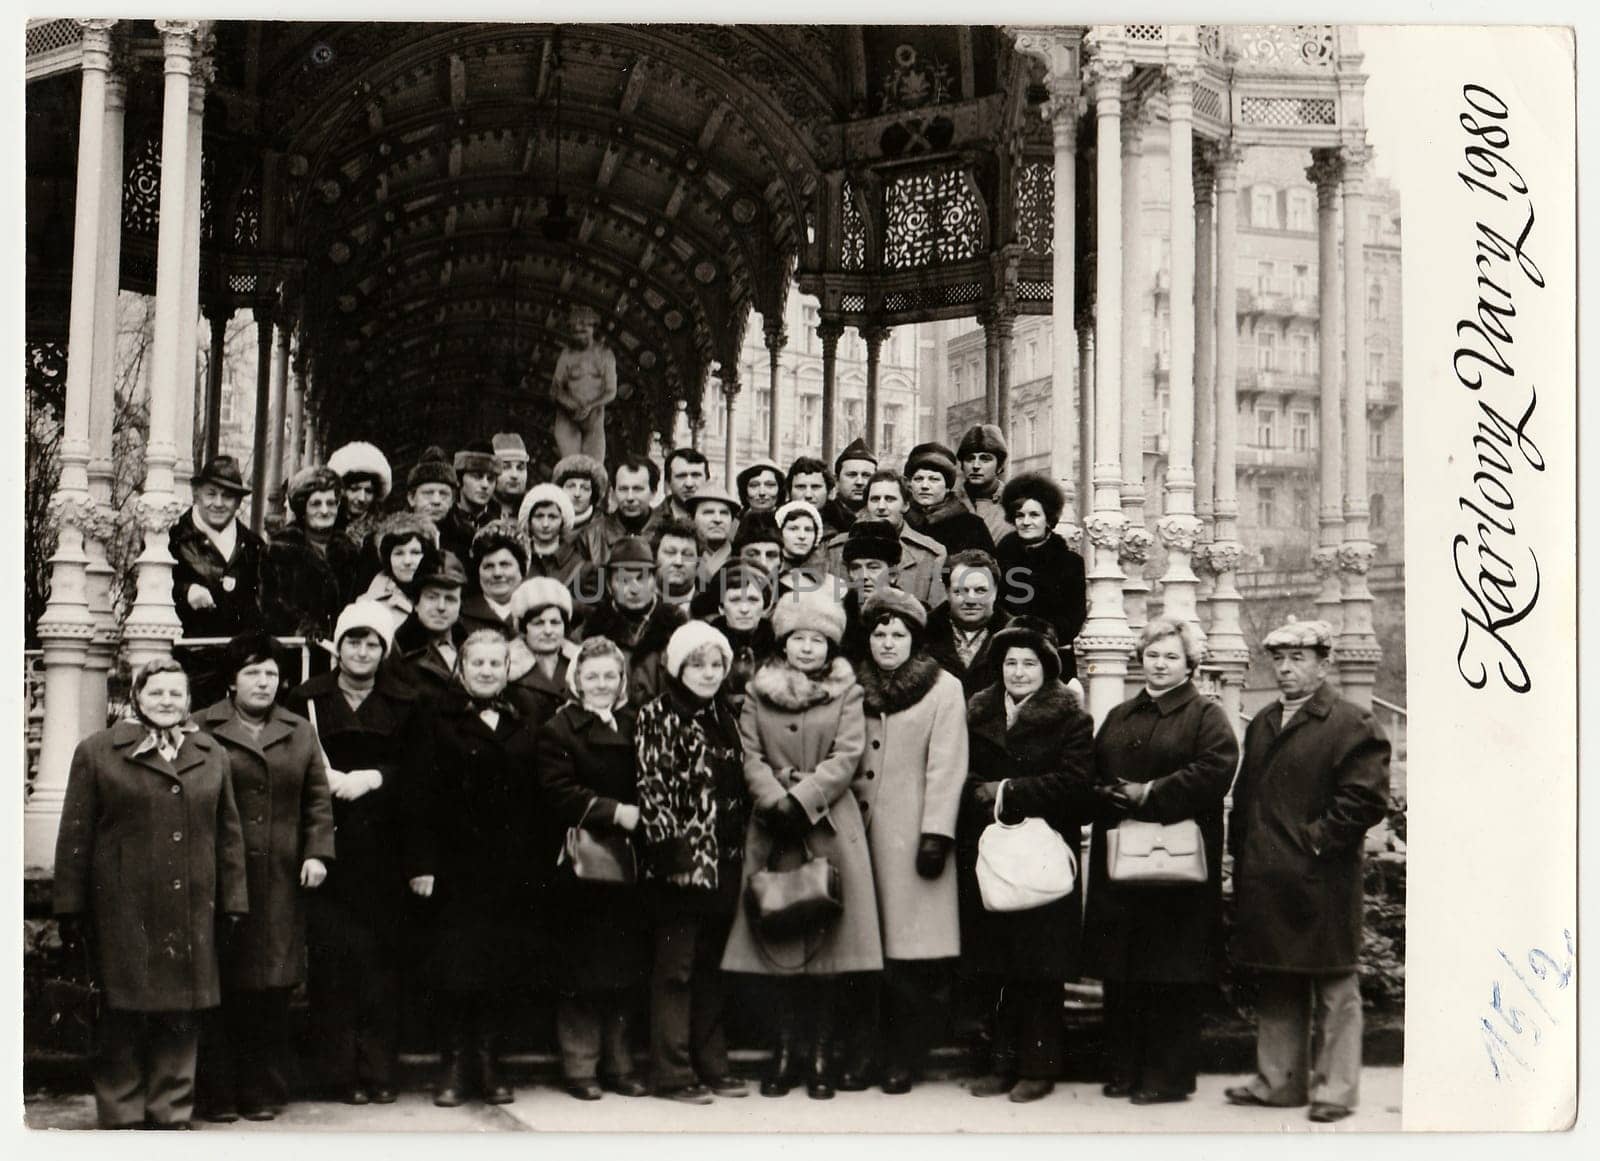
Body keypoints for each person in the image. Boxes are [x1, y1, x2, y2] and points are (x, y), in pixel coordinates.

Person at [54, 657, 248, 1129]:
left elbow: (229, 835)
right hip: (123, 909)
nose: (166, 701)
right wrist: (70, 905)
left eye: (175, 694)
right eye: (156, 692)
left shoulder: (212, 753)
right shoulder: (98, 752)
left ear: (188, 702)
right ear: (138, 696)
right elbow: (75, 834)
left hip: (190, 907)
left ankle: (170, 1108)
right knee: (121, 1012)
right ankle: (121, 1110)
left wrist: (234, 900)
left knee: (182, 1011)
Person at [1225, 619, 1391, 1124]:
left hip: (1323, 880)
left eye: (1299, 658)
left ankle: (1335, 1092)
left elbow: (1364, 801)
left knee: (1335, 984)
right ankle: (1278, 1083)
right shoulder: (1264, 722)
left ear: (1324, 664)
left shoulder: (1351, 723)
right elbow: (1248, 799)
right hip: (1269, 878)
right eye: (1279, 658)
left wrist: (1314, 844)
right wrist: (1242, 856)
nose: (1286, 667)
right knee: (1278, 980)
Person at [721, 586, 881, 1101]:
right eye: (798, 638)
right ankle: (785, 1053)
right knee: (781, 946)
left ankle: (820, 1057)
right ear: (784, 643)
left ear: (831, 645)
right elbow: (749, 753)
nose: (807, 648)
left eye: (817, 639)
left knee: (829, 954)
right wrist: (775, 799)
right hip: (775, 830)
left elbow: (848, 753)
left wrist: (805, 797)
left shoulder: (847, 691)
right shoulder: (757, 691)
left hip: (828, 826)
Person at [1082, 617, 1241, 1106]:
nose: (1159, 663)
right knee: (1123, 966)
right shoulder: (1121, 714)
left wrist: (1149, 794)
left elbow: (1215, 769)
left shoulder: (1205, 714)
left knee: (1170, 970)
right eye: (1152, 653)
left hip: (1176, 865)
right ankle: (1124, 1067)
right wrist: (1106, 794)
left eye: (1171, 656)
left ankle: (1166, 1076)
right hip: (1122, 858)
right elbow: (1094, 767)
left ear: (1190, 663)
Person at [285, 601, 431, 1106]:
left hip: (384, 852)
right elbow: (289, 764)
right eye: (353, 641)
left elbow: (421, 777)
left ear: (384, 649)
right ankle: (337, 1072)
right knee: (332, 963)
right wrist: (320, 778)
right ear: (338, 647)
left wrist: (378, 778)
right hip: (329, 848)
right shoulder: (306, 700)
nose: (362, 651)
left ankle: (378, 1070)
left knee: (381, 965)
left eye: (372, 643)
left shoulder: (408, 702)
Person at [193, 633, 335, 1123]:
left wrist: (317, 852)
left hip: (280, 877)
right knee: (222, 983)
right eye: (252, 671)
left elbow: (318, 798)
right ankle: (217, 1091)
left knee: (271, 987)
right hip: (220, 875)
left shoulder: (299, 730)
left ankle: (259, 1089)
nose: (263, 681)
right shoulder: (200, 727)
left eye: (271, 673)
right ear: (232, 679)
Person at [958, 617, 1098, 1103]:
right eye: (1010, 663)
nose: (1018, 672)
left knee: (1041, 967)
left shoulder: (1071, 719)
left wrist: (1008, 792)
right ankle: (1001, 1062)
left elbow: (1076, 783)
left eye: (1029, 663)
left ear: (1046, 669)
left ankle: (1039, 1065)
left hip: (1042, 855)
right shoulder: (978, 713)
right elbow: (964, 773)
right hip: (994, 853)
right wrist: (981, 795)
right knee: (997, 964)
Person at [408, 629, 541, 1107]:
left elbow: (536, 795)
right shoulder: (434, 717)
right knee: (454, 970)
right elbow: (418, 796)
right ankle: (454, 1065)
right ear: (461, 669)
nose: (487, 671)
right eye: (478, 663)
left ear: (508, 669)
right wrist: (422, 864)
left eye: (495, 663)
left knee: (499, 969)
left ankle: (489, 1063)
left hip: (509, 869)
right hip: (454, 869)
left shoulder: (526, 716)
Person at [846, 588, 968, 1094]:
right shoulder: (851, 684)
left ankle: (903, 1055)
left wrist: (936, 832)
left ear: (915, 640)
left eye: (898, 634)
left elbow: (947, 763)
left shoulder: (943, 689)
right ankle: (863, 1054)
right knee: (861, 957)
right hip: (859, 838)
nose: (887, 642)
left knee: (909, 960)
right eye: (879, 633)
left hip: (913, 838)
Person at [634, 622, 752, 1103]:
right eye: (697, 664)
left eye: (716, 664)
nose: (707, 673)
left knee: (710, 967)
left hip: (724, 862)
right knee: (676, 969)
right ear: (678, 667)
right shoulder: (658, 714)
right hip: (681, 864)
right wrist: (674, 855)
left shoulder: (724, 713)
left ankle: (712, 1064)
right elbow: (652, 788)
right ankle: (673, 1072)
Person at [534, 636, 652, 1101]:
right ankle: (580, 1066)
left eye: (610, 676)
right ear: (576, 680)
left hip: (631, 864)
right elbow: (557, 790)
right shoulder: (559, 729)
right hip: (583, 863)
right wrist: (614, 811)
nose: (601, 684)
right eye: (592, 676)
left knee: (624, 969)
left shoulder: (636, 722)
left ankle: (620, 1065)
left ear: (621, 681)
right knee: (582, 971)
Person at [170, 455, 268, 707]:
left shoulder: (253, 545)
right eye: (211, 494)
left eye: (227, 497)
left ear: (238, 503)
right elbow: (149, 588)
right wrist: (185, 591)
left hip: (239, 664)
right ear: (196, 494)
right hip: (189, 662)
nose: (218, 503)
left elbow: (262, 602)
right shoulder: (174, 539)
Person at [995, 471, 1086, 681]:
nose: (1026, 522)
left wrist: (1039, 637)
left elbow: (1073, 618)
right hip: (1010, 657)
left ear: (1048, 519)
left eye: (1034, 515)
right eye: (1019, 515)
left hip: (1054, 658)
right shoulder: (1001, 557)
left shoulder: (1069, 563)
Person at [577, 535, 685, 708]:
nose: (634, 589)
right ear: (609, 584)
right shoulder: (591, 631)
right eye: (623, 580)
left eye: (641, 578)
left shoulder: (678, 629)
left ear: (654, 580)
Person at [263, 466, 361, 642]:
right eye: (316, 503)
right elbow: (271, 606)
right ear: (302, 507)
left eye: (331, 503)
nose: (324, 511)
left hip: (343, 650)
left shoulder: (350, 551)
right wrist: (302, 627)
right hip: (297, 653)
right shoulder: (280, 549)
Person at [823, 470, 947, 607]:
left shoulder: (930, 554)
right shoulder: (837, 548)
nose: (881, 507)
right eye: (875, 499)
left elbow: (936, 613)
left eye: (890, 499)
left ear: (905, 505)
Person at [925, 549, 1013, 701]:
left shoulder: (1018, 636)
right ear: (947, 591)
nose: (970, 600)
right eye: (960, 591)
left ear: (996, 591)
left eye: (980, 590)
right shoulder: (921, 634)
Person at [389, 550, 470, 702]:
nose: (441, 607)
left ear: (460, 605)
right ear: (415, 603)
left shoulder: (473, 646)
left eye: (451, 599)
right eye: (432, 597)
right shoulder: (397, 651)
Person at [700, 560, 776, 711]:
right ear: (721, 607)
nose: (744, 609)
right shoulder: (703, 648)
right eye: (734, 600)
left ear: (765, 607)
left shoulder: (779, 650)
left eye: (753, 600)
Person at [505, 576, 579, 725]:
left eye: (555, 622)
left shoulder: (580, 662)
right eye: (538, 623)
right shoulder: (507, 665)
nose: (548, 631)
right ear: (523, 627)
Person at [903, 442, 996, 557]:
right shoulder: (900, 521)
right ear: (909, 484)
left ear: (947, 487)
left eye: (934, 479)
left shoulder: (971, 526)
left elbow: (987, 570)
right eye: (918, 479)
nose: (924, 486)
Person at [550, 305, 618, 461]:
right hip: (568, 419)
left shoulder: (605, 355)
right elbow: (555, 389)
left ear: (592, 328)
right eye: (575, 332)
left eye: (583, 331)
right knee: (570, 465)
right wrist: (571, 404)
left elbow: (611, 391)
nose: (578, 336)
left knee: (594, 467)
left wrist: (590, 406)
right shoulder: (567, 355)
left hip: (594, 420)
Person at [361, 511, 439, 636]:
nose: (407, 561)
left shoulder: (443, 594)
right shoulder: (369, 604)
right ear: (387, 559)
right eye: (398, 553)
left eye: (415, 552)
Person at [458, 519, 528, 637]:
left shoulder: (539, 612)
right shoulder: (460, 616)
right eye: (488, 566)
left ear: (522, 569)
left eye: (505, 564)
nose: (497, 573)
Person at [400, 446, 465, 565]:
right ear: (411, 498)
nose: (436, 501)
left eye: (444, 494)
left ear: (452, 500)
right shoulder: (394, 536)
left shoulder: (466, 538)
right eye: (428, 493)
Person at [327, 440, 393, 552]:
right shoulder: (326, 524)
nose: (362, 498)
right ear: (341, 490)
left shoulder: (384, 530)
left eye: (369, 491)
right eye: (354, 489)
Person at [517, 482, 586, 588]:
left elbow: (589, 603)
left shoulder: (579, 565)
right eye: (539, 516)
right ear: (529, 522)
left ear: (562, 521)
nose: (545, 524)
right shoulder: (518, 561)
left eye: (552, 517)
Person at [593, 454, 660, 561]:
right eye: (623, 489)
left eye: (637, 489)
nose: (630, 497)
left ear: (653, 492)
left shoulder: (668, 534)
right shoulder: (591, 536)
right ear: (613, 493)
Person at [955, 423, 1014, 543]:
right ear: (962, 464)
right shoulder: (949, 501)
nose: (976, 465)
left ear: (999, 465)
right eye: (970, 458)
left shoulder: (1014, 503)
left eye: (985, 459)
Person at [555, 453, 610, 563]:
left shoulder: (604, 528)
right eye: (571, 486)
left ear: (593, 494)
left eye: (585, 488)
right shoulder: (548, 522)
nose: (577, 493)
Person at [686, 481, 742, 583]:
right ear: (691, 518)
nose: (717, 519)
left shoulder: (742, 559)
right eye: (708, 512)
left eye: (724, 513)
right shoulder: (681, 559)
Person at [820, 437, 876, 537]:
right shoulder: (821, 518)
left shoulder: (884, 518)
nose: (859, 482)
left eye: (866, 475)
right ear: (836, 480)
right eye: (852, 475)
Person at [646, 447, 708, 535]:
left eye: (695, 475)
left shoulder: (723, 522)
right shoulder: (650, 523)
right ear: (667, 483)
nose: (689, 484)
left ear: (707, 481)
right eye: (681, 476)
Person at [652, 517, 702, 610]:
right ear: (654, 558)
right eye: (670, 552)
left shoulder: (711, 608)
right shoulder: (635, 605)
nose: (678, 562)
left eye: (687, 555)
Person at [489, 433, 531, 523]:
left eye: (520, 468)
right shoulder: (479, 512)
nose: (514, 475)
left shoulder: (536, 511)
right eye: (505, 467)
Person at [784, 456, 832, 521]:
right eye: (801, 487)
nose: (808, 495)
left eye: (815, 487)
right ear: (789, 492)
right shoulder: (772, 526)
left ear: (829, 491)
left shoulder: (845, 525)